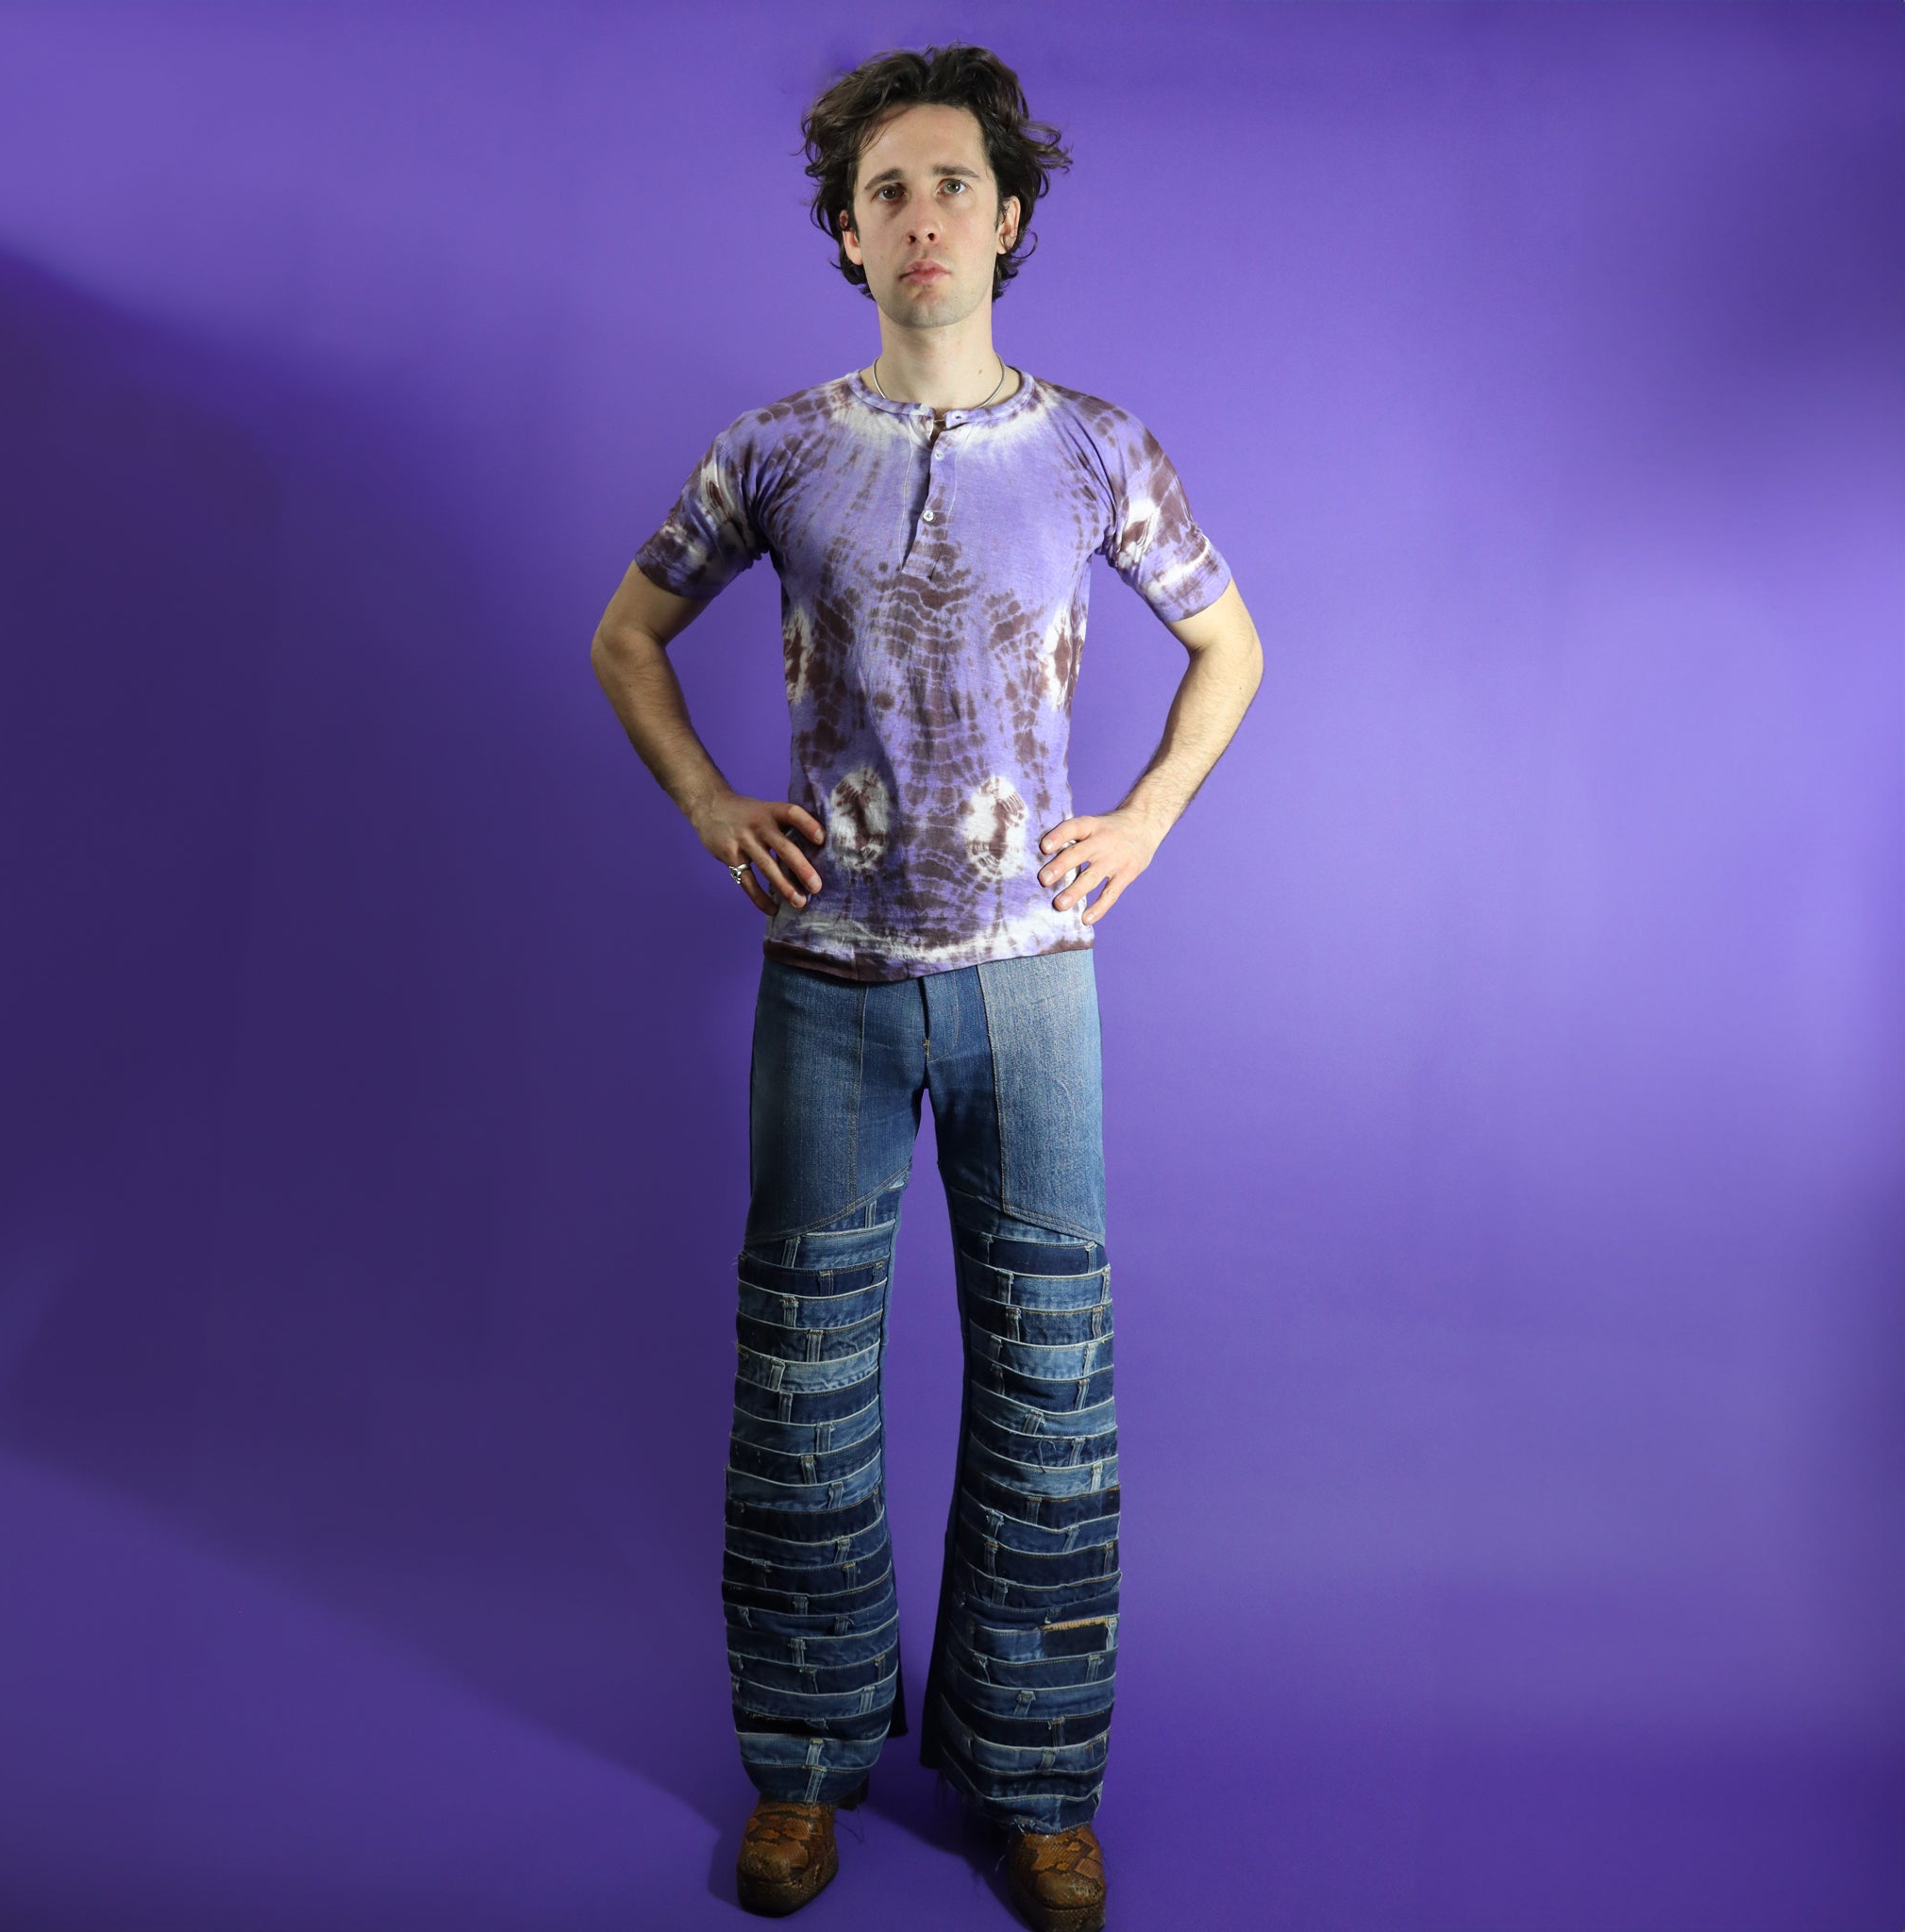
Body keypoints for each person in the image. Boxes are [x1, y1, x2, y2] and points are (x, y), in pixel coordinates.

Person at [590, 42, 1262, 1930]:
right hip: (830, 980)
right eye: (884, 190)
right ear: (847, 235)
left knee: (1050, 1376)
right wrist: (713, 803)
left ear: (1009, 215)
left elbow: (1229, 646)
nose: (922, 217)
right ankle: (801, 1768)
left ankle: (1036, 1781)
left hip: (1032, 982)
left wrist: (1144, 819)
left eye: (953, 182)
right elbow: (628, 634)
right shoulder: (776, 448)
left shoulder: (1099, 446)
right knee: (803, 1378)